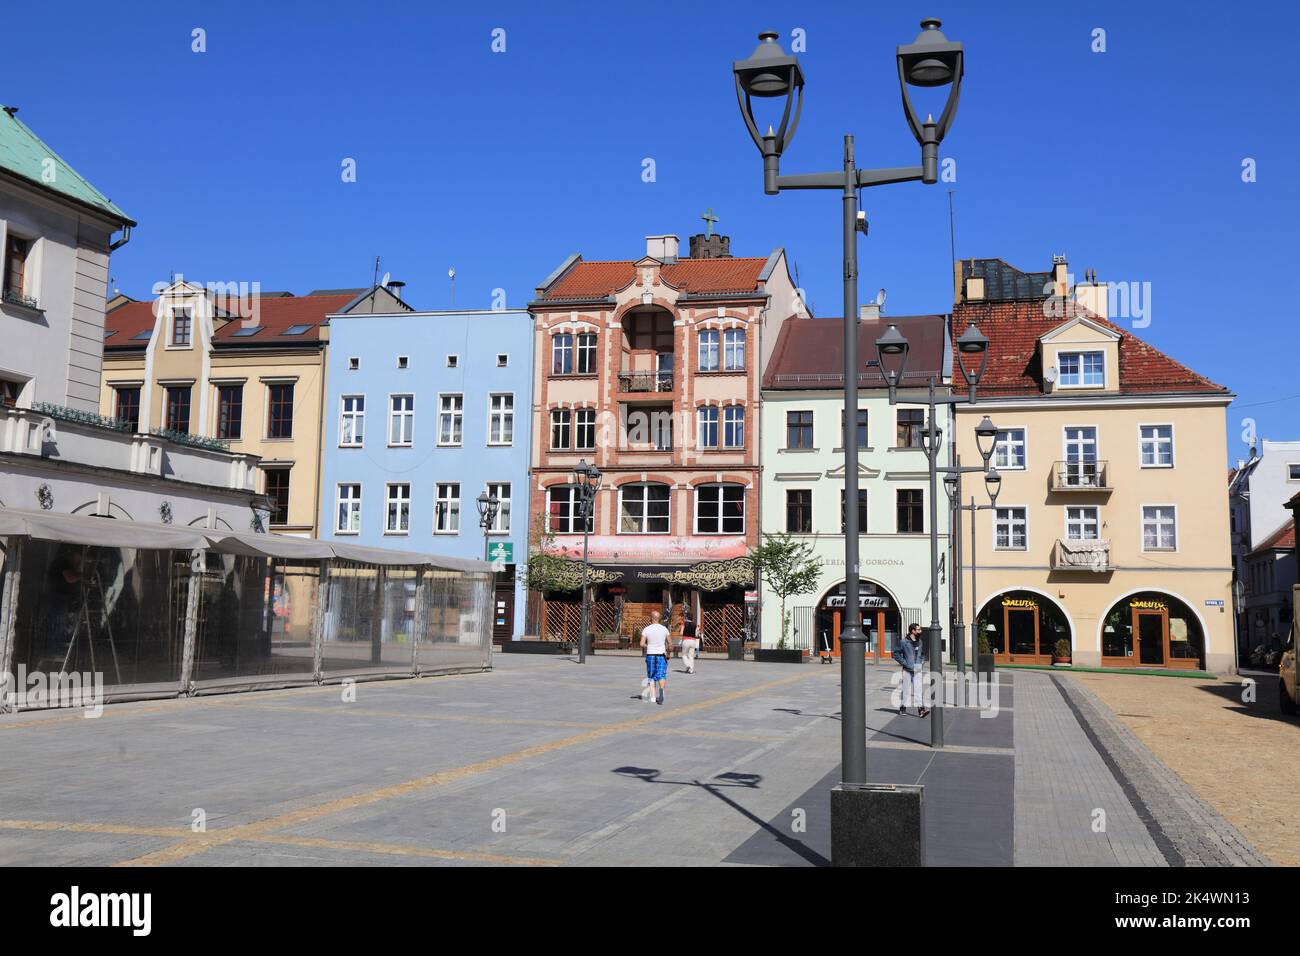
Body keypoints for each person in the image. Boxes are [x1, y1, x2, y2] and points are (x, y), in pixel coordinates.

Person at [892, 623, 929, 718]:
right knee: (906, 689)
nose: (920, 631)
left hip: (917, 668)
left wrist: (921, 662)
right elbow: (895, 654)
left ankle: (921, 710)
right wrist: (905, 663)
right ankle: (903, 707)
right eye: (918, 630)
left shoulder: (920, 641)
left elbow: (922, 653)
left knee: (918, 689)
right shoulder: (904, 642)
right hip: (907, 669)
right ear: (913, 631)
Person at [640, 610, 671, 705]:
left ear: (651, 618)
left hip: (650, 655)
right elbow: (670, 643)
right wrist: (669, 653)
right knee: (661, 675)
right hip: (661, 655)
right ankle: (661, 690)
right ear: (659, 619)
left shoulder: (646, 629)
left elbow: (641, 644)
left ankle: (653, 697)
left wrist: (648, 646)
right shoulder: (664, 629)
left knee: (651, 676)